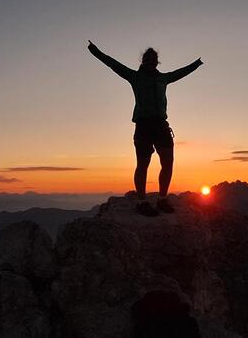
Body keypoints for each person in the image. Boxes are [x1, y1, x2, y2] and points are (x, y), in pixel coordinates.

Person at [87, 40, 203, 216]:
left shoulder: (163, 78)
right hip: (143, 126)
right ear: (143, 61)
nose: (150, 62)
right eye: (147, 60)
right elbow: (112, 64)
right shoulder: (135, 77)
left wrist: (197, 63)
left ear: (157, 62)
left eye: (153, 60)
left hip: (161, 125)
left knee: (168, 162)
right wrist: (95, 51)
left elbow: (181, 72)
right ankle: (142, 201)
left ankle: (162, 198)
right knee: (143, 164)